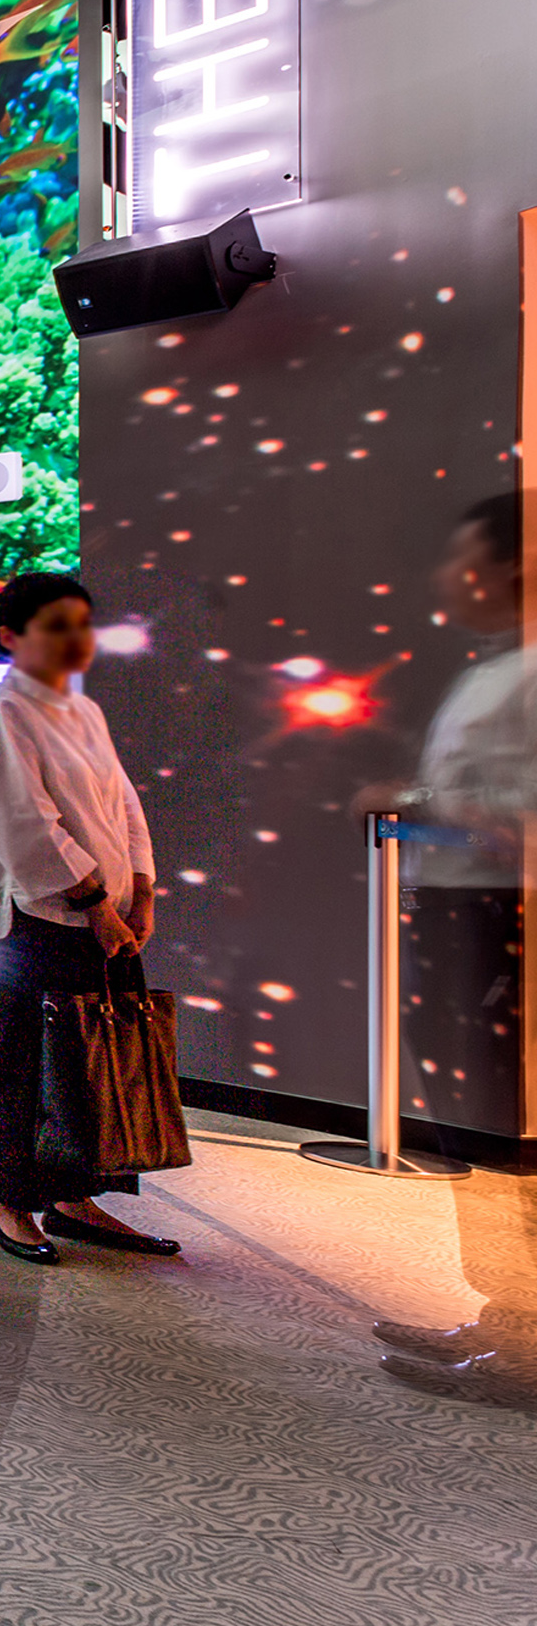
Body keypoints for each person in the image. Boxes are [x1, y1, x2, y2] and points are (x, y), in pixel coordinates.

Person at [359, 495, 537, 1406]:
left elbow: (519, 818)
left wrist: (421, 803)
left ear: (514, 566)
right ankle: (504, 1317)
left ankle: (523, 1343)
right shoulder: (496, 668)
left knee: (503, 1128)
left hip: (501, 922)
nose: (444, 577)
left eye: (461, 559)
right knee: (475, 1123)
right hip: (462, 915)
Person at [0, 571, 178, 1265]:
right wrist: (97, 906)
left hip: (109, 918)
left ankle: (74, 1195)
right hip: (41, 921)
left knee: (94, 1066)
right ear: (10, 637)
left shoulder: (82, 711)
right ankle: (11, 1204)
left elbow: (126, 806)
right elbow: (25, 826)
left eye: (81, 623)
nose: (75, 639)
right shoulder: (0, 713)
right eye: (56, 625)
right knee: (28, 1066)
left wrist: (141, 891)